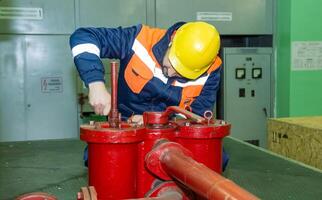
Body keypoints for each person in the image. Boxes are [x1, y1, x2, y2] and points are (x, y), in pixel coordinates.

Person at [70, 21, 228, 169]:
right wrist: (95, 83)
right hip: (127, 129)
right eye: (172, 63)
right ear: (171, 42)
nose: (172, 72)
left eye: (183, 73)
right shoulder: (138, 40)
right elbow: (84, 36)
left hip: (172, 133)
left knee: (217, 159)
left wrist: (160, 123)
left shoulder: (211, 71)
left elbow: (197, 116)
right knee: (99, 160)